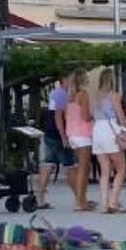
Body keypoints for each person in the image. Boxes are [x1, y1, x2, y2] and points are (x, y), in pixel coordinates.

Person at [89, 68, 126, 214]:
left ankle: (104, 205)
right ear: (113, 80)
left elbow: (91, 115)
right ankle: (113, 201)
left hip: (97, 131)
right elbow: (121, 118)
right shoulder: (114, 96)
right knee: (121, 169)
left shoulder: (93, 97)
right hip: (111, 131)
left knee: (104, 171)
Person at [33, 78, 72, 209]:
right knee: (71, 165)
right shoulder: (61, 94)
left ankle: (40, 197)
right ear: (64, 80)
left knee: (48, 164)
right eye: (70, 78)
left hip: (50, 131)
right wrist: (63, 136)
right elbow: (58, 116)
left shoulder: (55, 93)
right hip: (57, 133)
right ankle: (80, 198)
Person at [63, 69, 96, 208]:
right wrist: (94, 115)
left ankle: (80, 199)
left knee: (78, 167)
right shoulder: (83, 95)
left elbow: (66, 116)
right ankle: (81, 202)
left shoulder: (69, 96)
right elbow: (85, 116)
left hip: (72, 134)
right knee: (84, 169)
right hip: (83, 134)